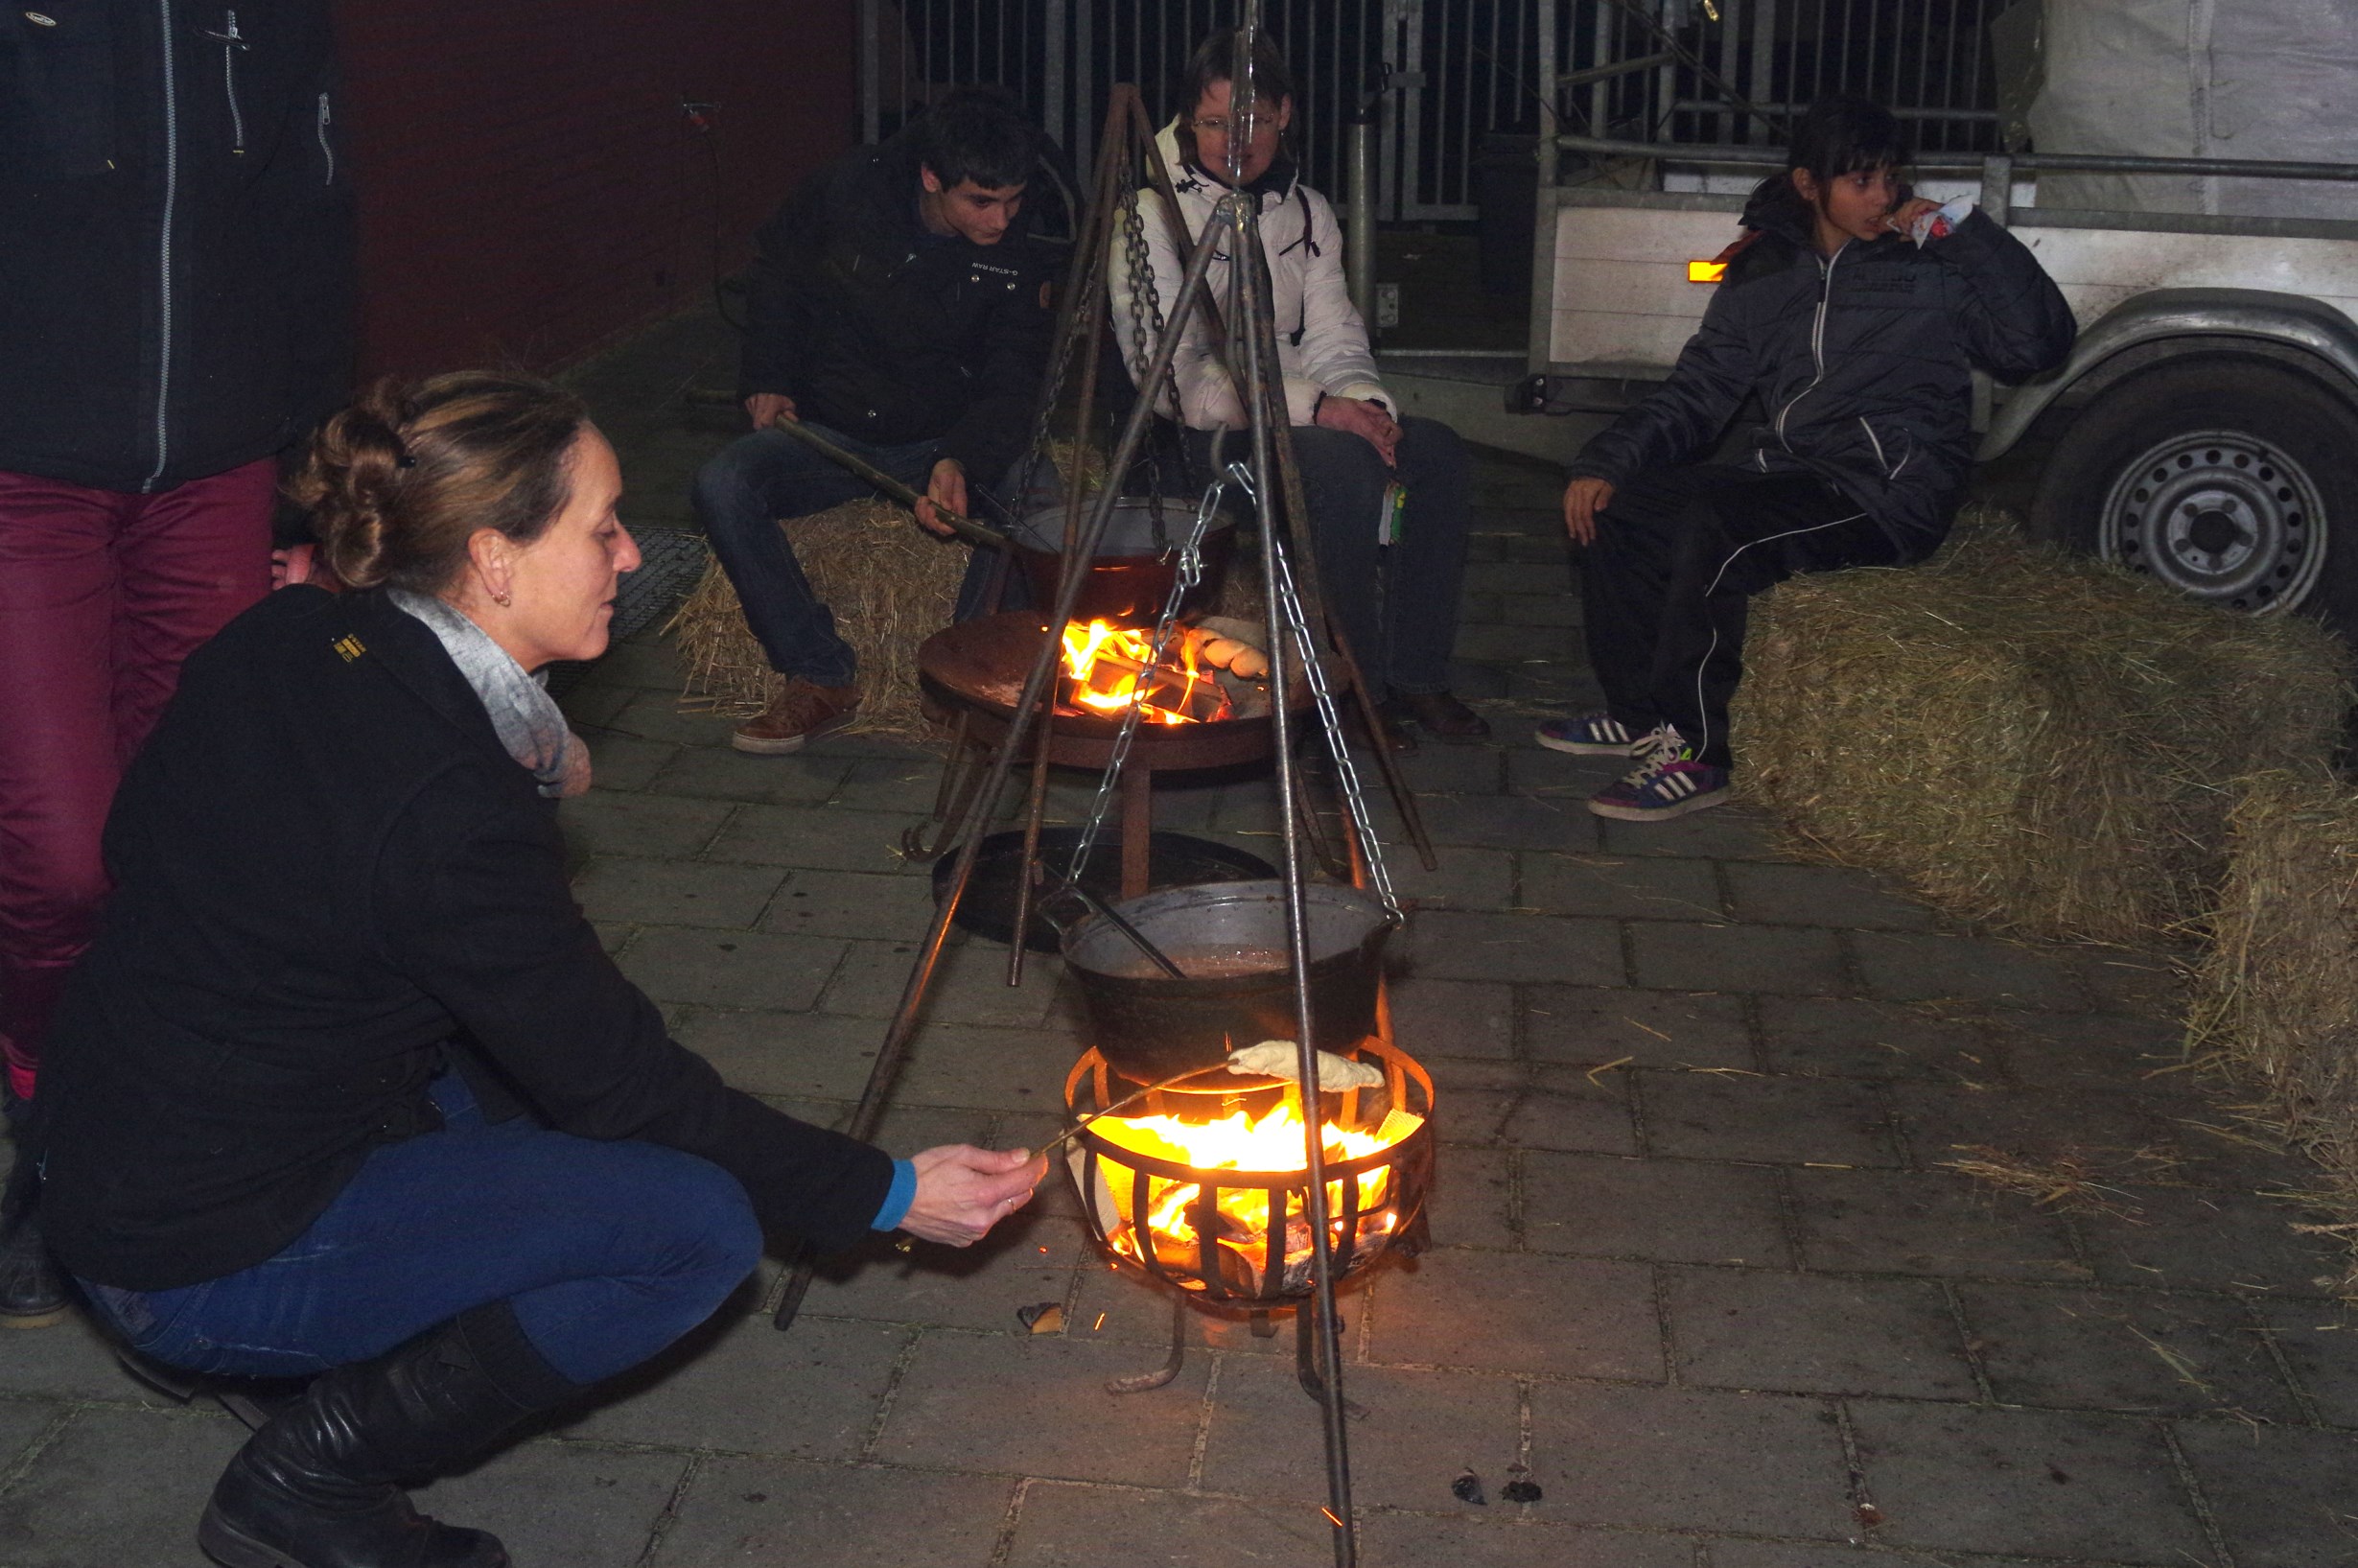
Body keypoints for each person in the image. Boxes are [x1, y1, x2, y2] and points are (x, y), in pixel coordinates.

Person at [26, 373, 1046, 1568]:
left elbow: (147, 849)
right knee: (691, 1224)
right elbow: (625, 1082)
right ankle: (311, 1479)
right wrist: (876, 1193)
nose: (628, 553)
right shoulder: (450, 814)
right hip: (192, 1244)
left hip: (99, 1156)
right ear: (494, 559)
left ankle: (313, 1327)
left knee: (531, 1098)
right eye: (601, 525)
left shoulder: (295, 632)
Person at [0, 0, 356, 1327]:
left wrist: (317, 491)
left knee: (201, 835)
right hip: (22, 471)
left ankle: (156, 1126)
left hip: (216, 466)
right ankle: (52, 1125)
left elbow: (313, 223)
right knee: (61, 849)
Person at [1540, 96, 2075, 821]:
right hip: (1790, 473)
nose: (1880, 198)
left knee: (1717, 521)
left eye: (1889, 178)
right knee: (1621, 505)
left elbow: (2038, 346)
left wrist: (1965, 233)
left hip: (1886, 492)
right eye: (1859, 182)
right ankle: (1639, 716)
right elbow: (1701, 390)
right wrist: (1606, 459)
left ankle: (1698, 752)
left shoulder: (1929, 265)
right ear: (1806, 184)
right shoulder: (1764, 268)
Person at [1109, 29, 1488, 754]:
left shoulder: (1307, 209)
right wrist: (1320, 410)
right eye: (1215, 122)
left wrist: (1367, 408)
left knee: (1434, 453)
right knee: (1339, 470)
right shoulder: (1150, 214)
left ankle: (1416, 675)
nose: (1233, 141)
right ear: (1190, 119)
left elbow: (1335, 337)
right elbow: (1176, 376)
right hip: (1200, 436)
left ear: (1284, 114)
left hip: (1307, 408)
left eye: (1251, 121)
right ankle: (1348, 689)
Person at [695, 87, 1057, 755]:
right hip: (834, 428)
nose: (1001, 218)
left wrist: (962, 458)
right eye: (981, 201)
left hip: (942, 435)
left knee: (1039, 493)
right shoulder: (848, 190)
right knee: (723, 483)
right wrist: (769, 379)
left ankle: (965, 679)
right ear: (930, 178)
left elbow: (1015, 377)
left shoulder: (1020, 246)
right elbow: (780, 275)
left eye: (1012, 199)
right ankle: (820, 674)